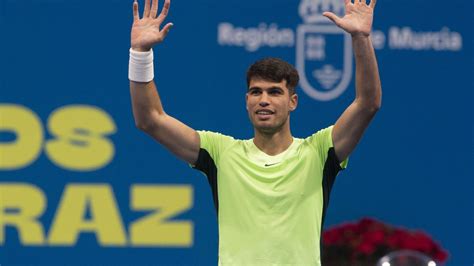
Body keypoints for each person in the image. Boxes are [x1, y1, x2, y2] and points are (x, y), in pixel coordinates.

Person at [128, 0, 381, 265]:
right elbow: (151, 119)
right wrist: (140, 52)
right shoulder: (220, 152)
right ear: (246, 100)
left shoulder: (319, 151)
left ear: (292, 102)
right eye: (256, 92)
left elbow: (368, 103)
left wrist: (361, 38)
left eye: (274, 92)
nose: (264, 100)